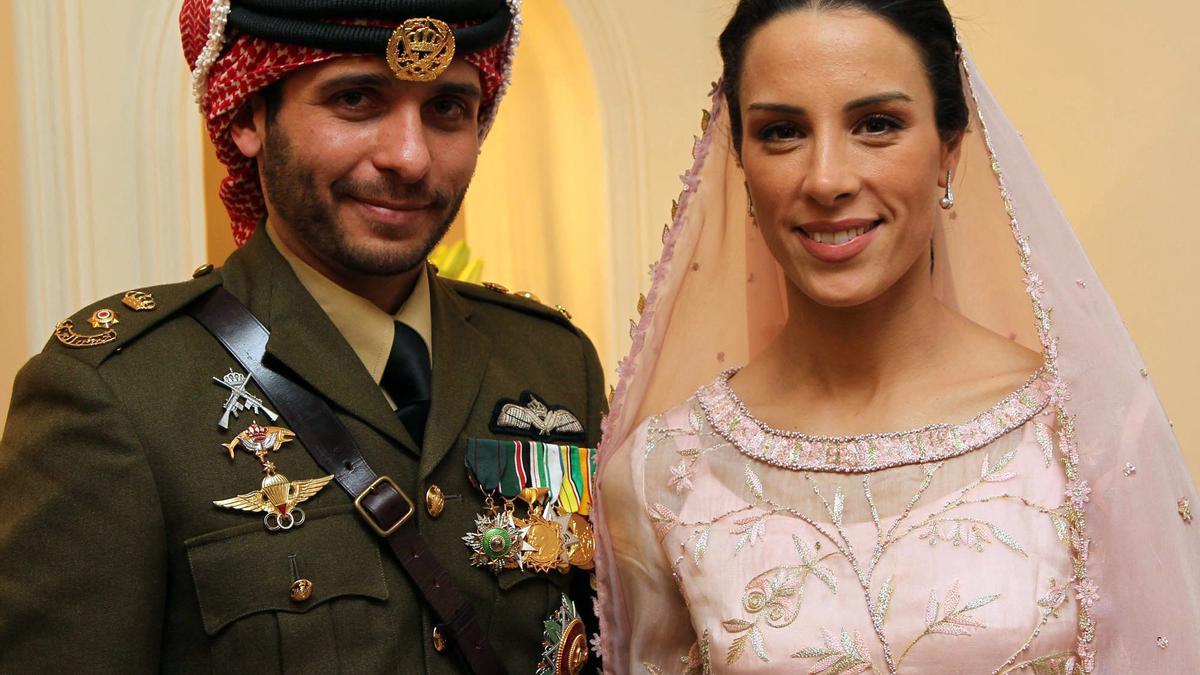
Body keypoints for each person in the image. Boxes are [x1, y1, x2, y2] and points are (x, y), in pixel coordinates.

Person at [593, 1, 1200, 673]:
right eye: (782, 132)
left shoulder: (1089, 437)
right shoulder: (662, 477)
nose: (827, 178)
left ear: (949, 151)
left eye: (876, 124)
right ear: (739, 159)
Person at [0, 1, 605, 673]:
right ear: (250, 115)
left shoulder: (551, 361)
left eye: (447, 110)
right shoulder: (118, 393)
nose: (410, 156)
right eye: (355, 98)